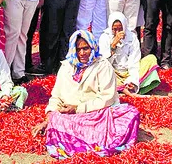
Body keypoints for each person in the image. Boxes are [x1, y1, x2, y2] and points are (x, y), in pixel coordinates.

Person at [31, 30, 140, 159]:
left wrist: (78, 108)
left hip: (98, 114)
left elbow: (107, 98)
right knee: (58, 119)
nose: (82, 53)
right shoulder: (66, 67)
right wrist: (48, 119)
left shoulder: (103, 65)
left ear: (92, 47)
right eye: (78, 49)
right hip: (71, 116)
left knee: (131, 113)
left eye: (86, 48)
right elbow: (56, 97)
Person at [99, 12, 161, 95]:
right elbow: (105, 63)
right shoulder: (104, 37)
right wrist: (114, 45)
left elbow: (134, 61)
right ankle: (121, 87)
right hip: (114, 73)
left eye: (120, 29)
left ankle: (128, 87)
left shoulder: (132, 37)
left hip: (129, 71)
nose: (118, 32)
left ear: (124, 27)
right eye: (115, 29)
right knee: (103, 73)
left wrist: (132, 80)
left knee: (151, 58)